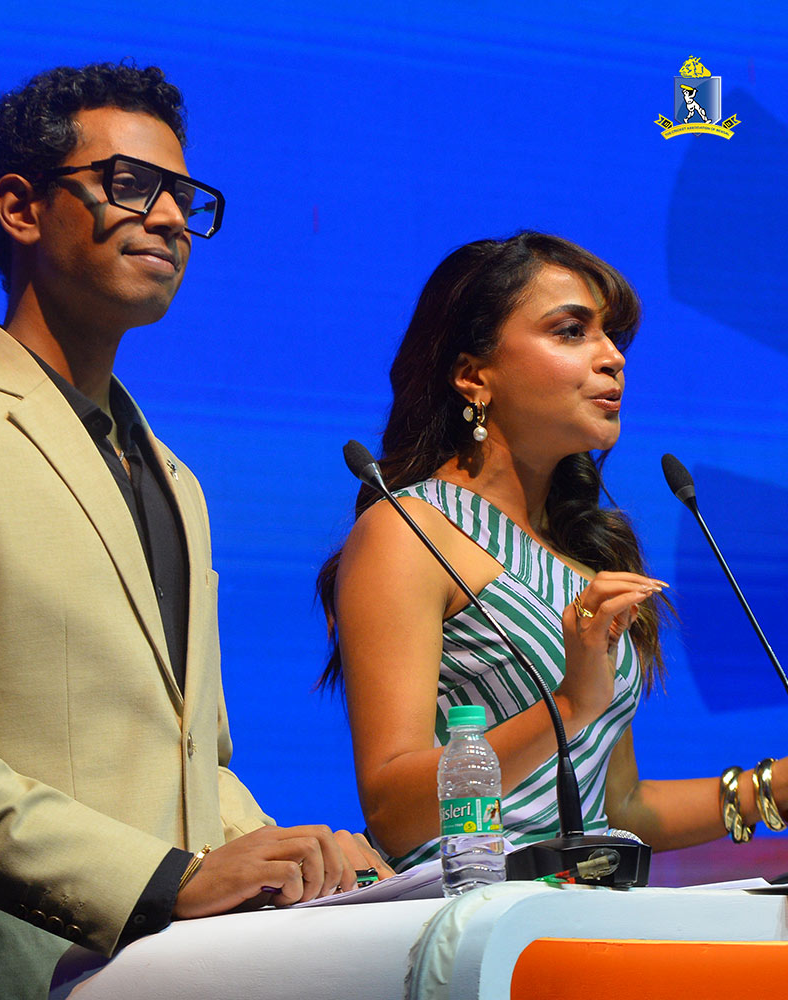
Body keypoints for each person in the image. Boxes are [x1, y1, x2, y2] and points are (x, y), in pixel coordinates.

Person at [0, 62, 387, 1000]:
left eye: (185, 197)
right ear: (20, 208)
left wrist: (304, 860)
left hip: (167, 975)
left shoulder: (177, 478)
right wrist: (162, 884)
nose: (170, 218)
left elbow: (191, 762)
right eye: (130, 185)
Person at [317, 232, 788, 871]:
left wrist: (768, 790)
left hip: (587, 902)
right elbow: (394, 810)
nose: (612, 357)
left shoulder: (586, 554)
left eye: (613, 336)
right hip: (472, 905)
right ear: (473, 375)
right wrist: (569, 703)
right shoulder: (407, 531)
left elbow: (619, 807)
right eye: (571, 331)